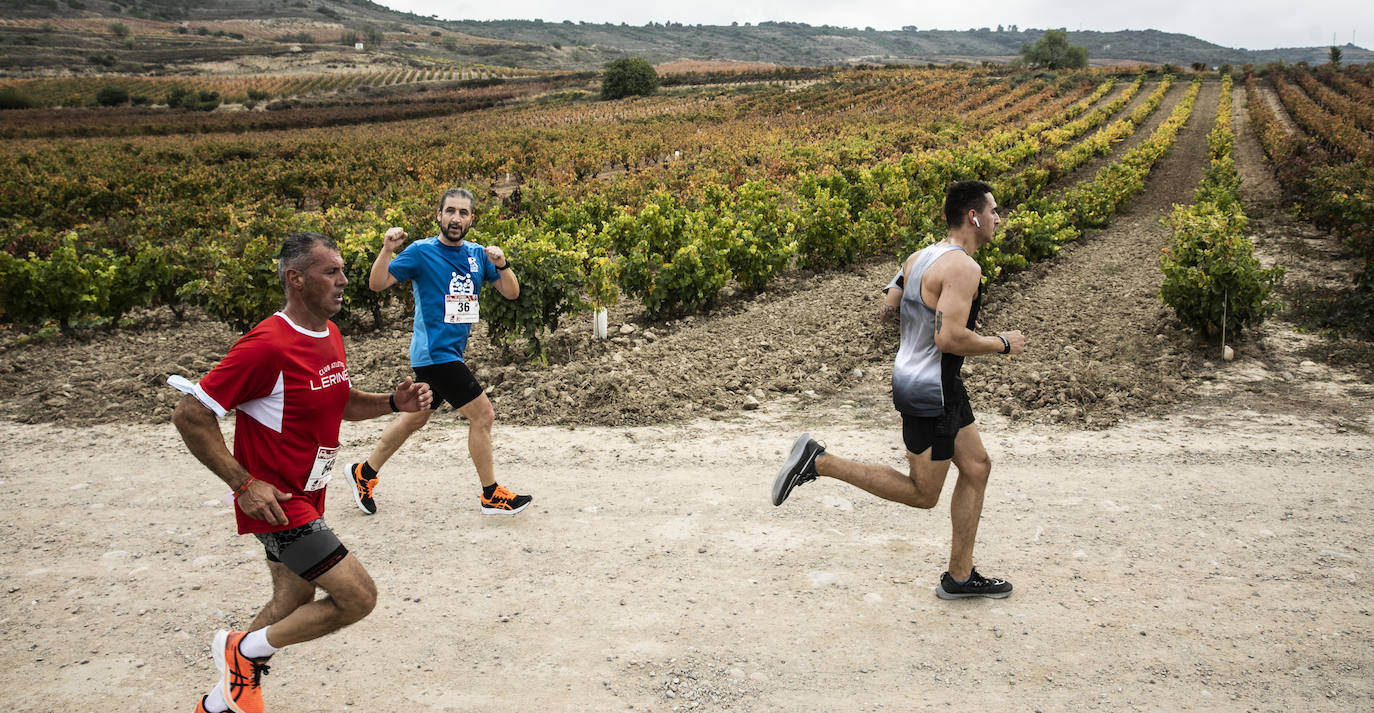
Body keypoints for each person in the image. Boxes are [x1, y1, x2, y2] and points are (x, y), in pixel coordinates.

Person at [173, 232, 432, 713]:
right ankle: (241, 650)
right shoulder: (267, 345)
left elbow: (340, 401)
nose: (344, 280)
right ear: (296, 279)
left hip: (311, 494)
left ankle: (216, 704)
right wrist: (243, 483)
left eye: (342, 270)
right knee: (358, 597)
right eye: (330, 271)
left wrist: (391, 403)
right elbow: (190, 413)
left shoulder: (329, 334)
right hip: (278, 504)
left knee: (293, 594)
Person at [772, 180, 1027, 599]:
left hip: (927, 379)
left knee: (977, 467)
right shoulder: (963, 267)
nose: (998, 218)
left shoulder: (919, 257)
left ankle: (959, 577)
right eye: (993, 210)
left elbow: (889, 306)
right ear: (974, 216)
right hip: (932, 389)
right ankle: (818, 461)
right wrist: (1002, 344)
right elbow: (948, 339)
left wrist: (921, 325)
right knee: (923, 492)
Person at [346, 187, 531, 516]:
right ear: (439, 215)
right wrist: (387, 250)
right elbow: (377, 283)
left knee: (415, 417)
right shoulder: (421, 252)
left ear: (471, 218)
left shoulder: (476, 255)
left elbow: (511, 292)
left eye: (463, 213)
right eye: (450, 211)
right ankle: (491, 495)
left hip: (450, 354)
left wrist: (503, 265)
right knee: (483, 415)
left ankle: (365, 473)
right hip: (435, 354)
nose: (456, 218)